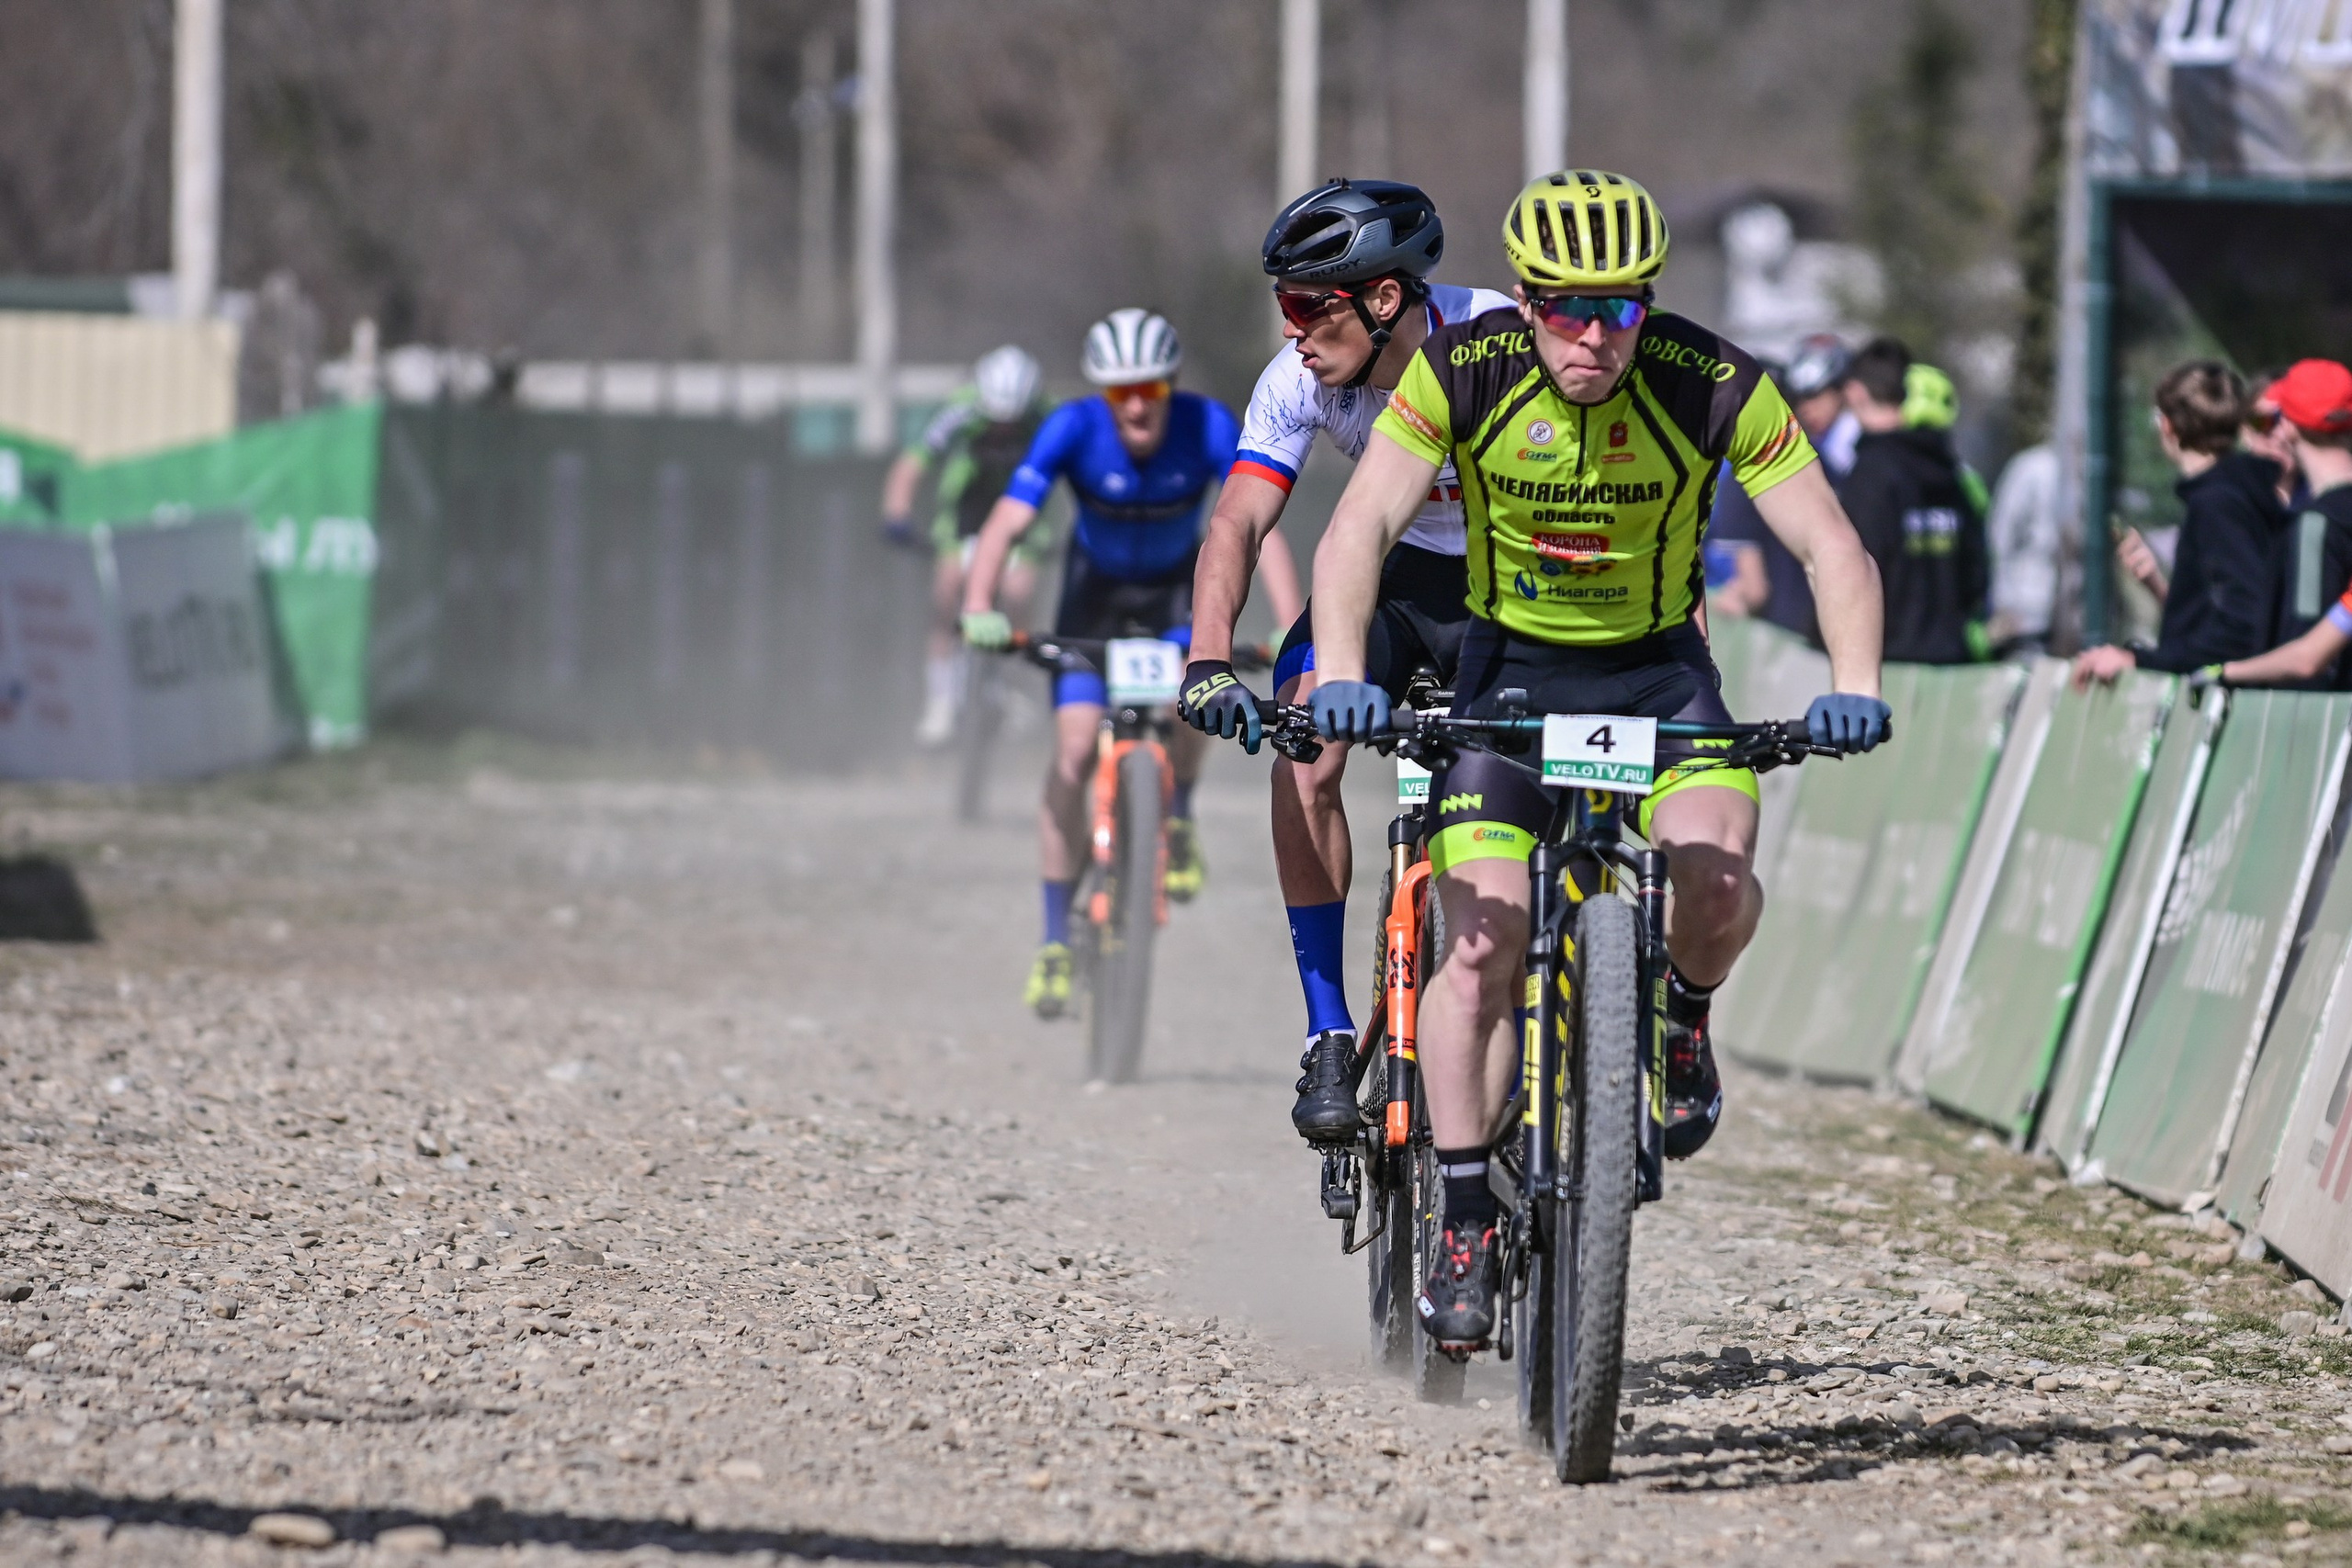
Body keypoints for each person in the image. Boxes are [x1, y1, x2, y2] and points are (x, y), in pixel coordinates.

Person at [1306, 170, 1888, 1348]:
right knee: (1478, 944)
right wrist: (1343, 673)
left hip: (1660, 679)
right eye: (1567, 308)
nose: (1594, 334)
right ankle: (1464, 1211)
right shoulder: (1461, 372)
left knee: (1717, 883)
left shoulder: (1711, 381)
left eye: (1619, 308)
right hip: (1508, 678)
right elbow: (1358, 526)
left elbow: (1829, 543)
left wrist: (1854, 686)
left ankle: (1678, 1014)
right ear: (1522, 302)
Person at [1174, 178, 1510, 1143]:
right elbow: (1237, 522)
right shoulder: (1297, 382)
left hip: (1508, 587)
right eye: (1282, 306)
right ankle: (1328, 1030)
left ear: (1386, 298)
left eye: (1307, 306)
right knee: (1308, 747)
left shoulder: (1496, 341)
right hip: (1387, 580)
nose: (1292, 332)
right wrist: (1207, 660)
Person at [960, 310, 1250, 1019]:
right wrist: (978, 599)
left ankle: (1175, 815)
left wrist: (1290, 622)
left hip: (1174, 596)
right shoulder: (1072, 428)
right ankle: (1056, 937)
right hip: (1091, 603)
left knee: (1198, 692)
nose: (1136, 405)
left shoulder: (1208, 425)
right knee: (1070, 756)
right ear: (1101, 394)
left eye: (1149, 389)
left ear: (1170, 386)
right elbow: (1007, 521)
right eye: (1120, 392)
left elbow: (1256, 526)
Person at [2073, 360, 2288, 688]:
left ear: (2169, 427)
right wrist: (2160, 588)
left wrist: (2140, 660)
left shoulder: (2218, 503)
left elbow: (2241, 627)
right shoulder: (2236, 493)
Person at [881, 346, 1052, 746]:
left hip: (1025, 515)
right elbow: (912, 463)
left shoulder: (1047, 417)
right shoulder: (961, 411)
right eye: (996, 422)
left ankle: (1017, 686)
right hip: (966, 512)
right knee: (947, 591)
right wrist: (897, 513)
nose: (1004, 431)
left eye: (1013, 424)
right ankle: (940, 697)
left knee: (1018, 592)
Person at [1836, 337, 1989, 664]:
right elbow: (1976, 573)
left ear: (1855, 393)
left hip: (1887, 663)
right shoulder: (1952, 472)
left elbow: (1853, 569)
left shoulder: (1871, 472)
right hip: (1953, 663)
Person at [1705, 333, 1852, 638]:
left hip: (1779, 642)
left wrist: (1719, 601)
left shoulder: (1743, 477)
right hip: (1831, 629)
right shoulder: (1826, 464)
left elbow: (1754, 590)